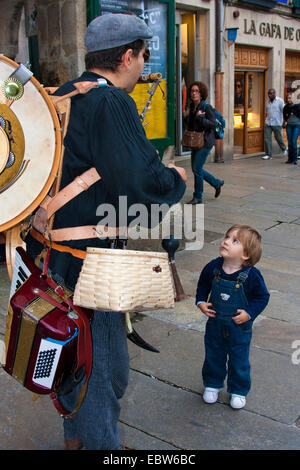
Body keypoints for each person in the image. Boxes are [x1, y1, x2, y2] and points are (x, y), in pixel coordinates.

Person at [26, 13, 186, 450]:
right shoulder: (111, 101)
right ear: (128, 55)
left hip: (50, 257)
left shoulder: (60, 95)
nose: (143, 65)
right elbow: (141, 182)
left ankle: (77, 439)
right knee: (102, 369)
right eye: (143, 55)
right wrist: (175, 179)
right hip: (91, 263)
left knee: (73, 356)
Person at [196, 224, 269, 409]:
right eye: (227, 237)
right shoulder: (213, 267)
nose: (226, 241)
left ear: (245, 255)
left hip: (239, 327)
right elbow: (203, 285)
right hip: (215, 324)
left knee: (239, 359)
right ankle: (212, 384)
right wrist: (201, 302)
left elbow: (262, 296)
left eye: (234, 241)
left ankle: (238, 390)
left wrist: (249, 313)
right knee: (213, 354)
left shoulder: (251, 275)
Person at [183, 81, 224, 204]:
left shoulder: (206, 107)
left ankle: (198, 197)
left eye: (197, 91)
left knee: (196, 169)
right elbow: (191, 126)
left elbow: (213, 124)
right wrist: (186, 117)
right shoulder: (191, 107)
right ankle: (216, 183)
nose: (194, 93)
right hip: (195, 141)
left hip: (205, 142)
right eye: (192, 91)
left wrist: (201, 118)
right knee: (197, 169)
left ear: (201, 94)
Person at [262, 88, 287, 160]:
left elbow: (284, 112)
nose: (270, 95)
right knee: (267, 139)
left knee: (278, 137)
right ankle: (268, 154)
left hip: (277, 122)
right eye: (269, 94)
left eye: (271, 93)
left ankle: (284, 148)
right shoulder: (268, 102)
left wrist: (284, 122)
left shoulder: (280, 101)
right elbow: (267, 112)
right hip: (268, 122)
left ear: (274, 94)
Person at [283, 92, 300, 165]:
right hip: (289, 125)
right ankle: (290, 158)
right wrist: (284, 123)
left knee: (293, 141)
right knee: (289, 142)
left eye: (290, 98)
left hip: (297, 125)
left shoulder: (298, 106)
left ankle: (295, 159)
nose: (289, 99)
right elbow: (284, 116)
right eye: (288, 98)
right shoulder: (286, 107)